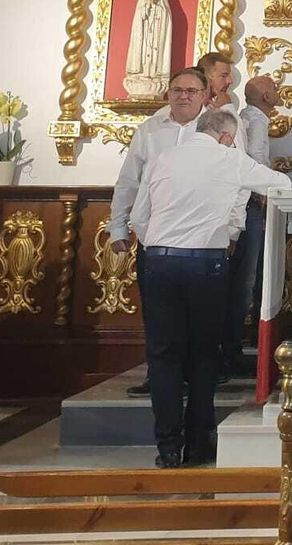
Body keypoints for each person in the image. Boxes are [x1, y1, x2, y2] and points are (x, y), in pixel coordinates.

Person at [129, 107, 290, 468]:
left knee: (164, 356)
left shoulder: (163, 159)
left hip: (159, 260)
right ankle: (198, 443)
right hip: (205, 263)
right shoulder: (229, 159)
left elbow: (139, 217)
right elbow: (281, 184)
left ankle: (168, 447)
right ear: (227, 136)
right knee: (203, 354)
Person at [109, 68, 208, 395]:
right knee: (157, 312)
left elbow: (233, 184)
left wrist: (232, 231)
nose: (184, 96)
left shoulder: (218, 129)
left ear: (204, 95)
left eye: (192, 91)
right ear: (167, 93)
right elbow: (128, 180)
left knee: (198, 315)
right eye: (177, 89)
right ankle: (159, 375)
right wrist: (116, 225)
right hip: (156, 237)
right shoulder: (150, 130)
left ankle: (193, 378)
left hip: (202, 239)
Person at [226, 76, 286, 377]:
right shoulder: (257, 121)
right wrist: (267, 193)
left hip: (246, 204)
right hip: (250, 205)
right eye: (273, 88)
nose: (277, 92)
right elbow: (258, 159)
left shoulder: (249, 117)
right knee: (246, 280)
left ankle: (233, 347)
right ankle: (232, 350)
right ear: (264, 96)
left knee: (246, 279)